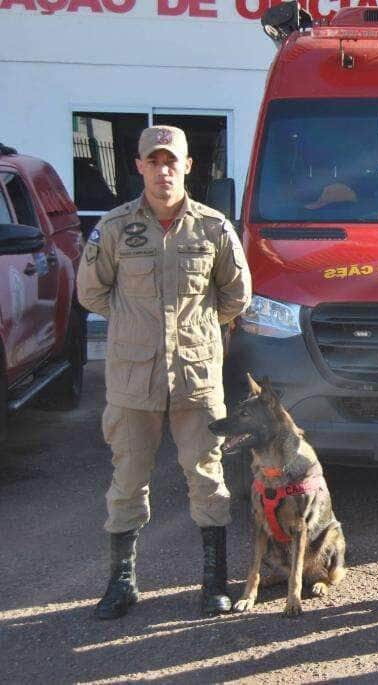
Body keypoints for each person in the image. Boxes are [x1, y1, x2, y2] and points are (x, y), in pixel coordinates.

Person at [78, 126, 252, 619]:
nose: (163, 170)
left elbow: (236, 296)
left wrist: (196, 331)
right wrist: (136, 325)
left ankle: (214, 582)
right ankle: (122, 582)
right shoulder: (113, 229)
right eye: (153, 161)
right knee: (128, 481)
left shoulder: (214, 228)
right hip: (133, 381)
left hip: (197, 380)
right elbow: (90, 292)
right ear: (138, 166)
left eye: (171, 161)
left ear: (188, 166)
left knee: (208, 479)